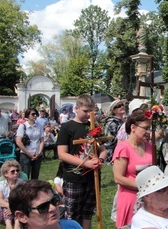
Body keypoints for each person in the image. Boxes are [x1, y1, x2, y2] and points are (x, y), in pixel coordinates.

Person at [57, 94, 107, 228]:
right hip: (74, 177)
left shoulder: (94, 127)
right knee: (72, 213)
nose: (88, 115)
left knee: (87, 212)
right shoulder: (67, 127)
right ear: (76, 108)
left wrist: (100, 159)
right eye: (85, 111)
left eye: (92, 111)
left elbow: (103, 149)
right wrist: (85, 163)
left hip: (92, 176)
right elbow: (62, 154)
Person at [112, 110, 153, 228]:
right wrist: (143, 185)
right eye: (145, 128)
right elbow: (118, 178)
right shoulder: (123, 148)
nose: (148, 132)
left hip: (148, 198)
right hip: (130, 199)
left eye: (149, 128)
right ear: (133, 127)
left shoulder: (149, 146)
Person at [9, 179, 82, 229]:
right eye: (43, 207)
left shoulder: (72, 226)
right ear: (22, 216)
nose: (53, 208)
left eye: (54, 201)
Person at [15, 108, 44, 179]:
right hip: (25, 154)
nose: (35, 116)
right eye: (33, 114)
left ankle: (34, 190)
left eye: (36, 114)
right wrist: (29, 154)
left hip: (37, 154)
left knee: (35, 177)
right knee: (25, 176)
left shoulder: (39, 126)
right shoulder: (23, 126)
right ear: (28, 115)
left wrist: (39, 152)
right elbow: (18, 141)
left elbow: (42, 140)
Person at [0, 160, 23, 229]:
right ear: (6, 174)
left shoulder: (21, 183)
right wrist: (9, 206)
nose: (16, 173)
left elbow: (23, 198)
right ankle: (8, 224)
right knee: (7, 200)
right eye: (12, 171)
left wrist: (13, 206)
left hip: (18, 210)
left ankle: (16, 224)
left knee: (18, 201)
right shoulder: (1, 184)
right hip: (4, 213)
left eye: (17, 170)